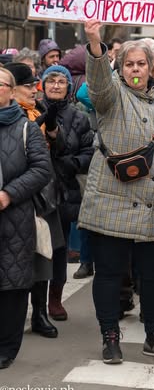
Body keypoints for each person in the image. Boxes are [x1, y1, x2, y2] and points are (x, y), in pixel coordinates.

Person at [80, 19, 154, 365]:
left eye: (141, 63)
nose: (136, 69)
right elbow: (97, 83)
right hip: (112, 203)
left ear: (152, 66)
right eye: (129, 64)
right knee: (110, 274)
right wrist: (95, 44)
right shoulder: (110, 95)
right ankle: (110, 335)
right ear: (120, 67)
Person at [4, 62, 63, 340]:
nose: (34, 90)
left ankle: (39, 313)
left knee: (43, 257)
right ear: (11, 90)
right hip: (17, 200)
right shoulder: (19, 121)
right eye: (28, 85)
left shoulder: (37, 113)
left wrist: (52, 130)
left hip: (42, 197)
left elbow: (55, 156)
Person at [0, 65, 52, 369]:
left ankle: (7, 345)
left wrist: (9, 194)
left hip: (14, 216)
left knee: (13, 283)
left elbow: (41, 170)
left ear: (9, 90)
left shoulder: (25, 127)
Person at [39, 66, 94, 322]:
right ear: (43, 85)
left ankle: (55, 299)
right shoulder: (32, 112)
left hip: (64, 190)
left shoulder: (79, 117)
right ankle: (37, 303)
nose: (57, 86)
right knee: (36, 248)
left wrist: (74, 164)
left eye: (62, 82)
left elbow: (88, 152)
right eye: (51, 81)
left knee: (59, 248)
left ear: (69, 88)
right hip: (37, 191)